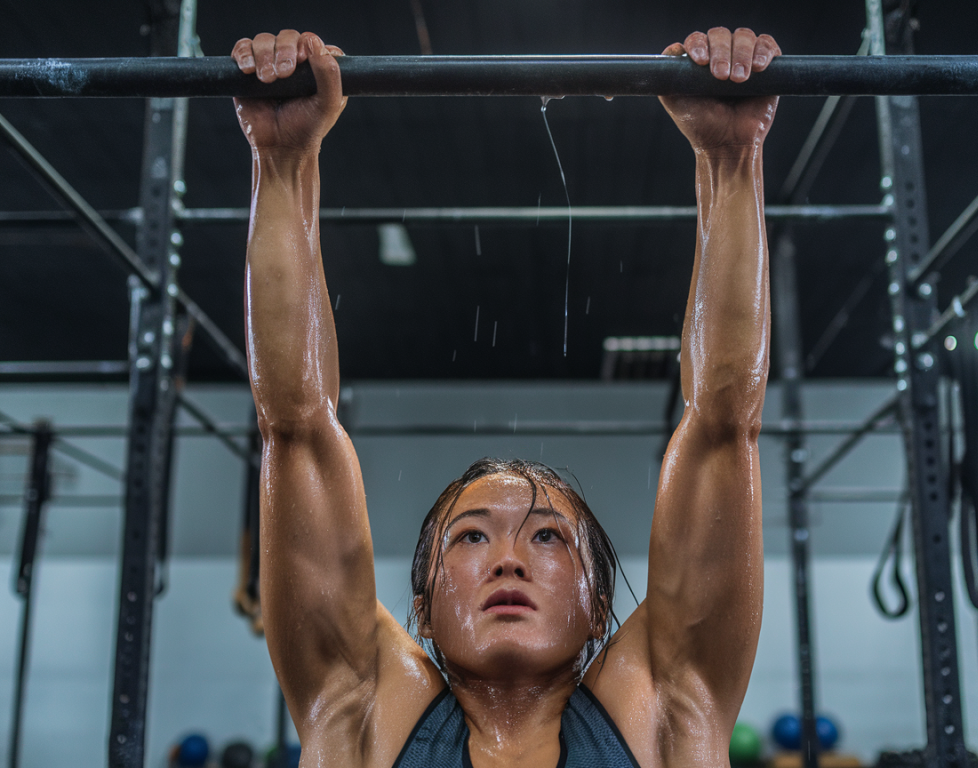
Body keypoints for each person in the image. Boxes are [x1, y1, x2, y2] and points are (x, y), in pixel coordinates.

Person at [232, 25, 780, 768]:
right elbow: (295, 425)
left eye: (548, 536)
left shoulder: (664, 711)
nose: (509, 560)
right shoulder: (363, 711)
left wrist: (730, 157)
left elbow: (724, 423)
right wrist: (283, 160)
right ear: (420, 608)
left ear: (596, 609)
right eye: (471, 537)